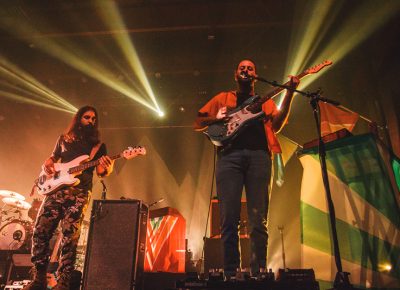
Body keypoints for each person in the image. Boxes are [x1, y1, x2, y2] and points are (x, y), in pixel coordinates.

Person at [194, 59, 300, 278]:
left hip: (259, 157)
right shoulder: (223, 98)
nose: (246, 70)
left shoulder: (264, 102)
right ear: (236, 74)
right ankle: (231, 273)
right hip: (229, 158)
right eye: (242, 67)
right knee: (228, 218)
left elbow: (277, 125)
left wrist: (289, 93)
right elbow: (198, 121)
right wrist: (219, 117)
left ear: (255, 75)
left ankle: (258, 272)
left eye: (250, 68)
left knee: (258, 219)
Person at [24, 105, 114, 290]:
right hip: (55, 191)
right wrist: (48, 164)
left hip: (79, 193)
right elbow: (52, 158)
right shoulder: (63, 139)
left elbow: (101, 172)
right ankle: (39, 278)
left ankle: (63, 282)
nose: (91, 121)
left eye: (94, 119)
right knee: (40, 231)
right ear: (79, 118)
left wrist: (108, 166)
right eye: (87, 117)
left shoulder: (98, 146)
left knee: (70, 237)